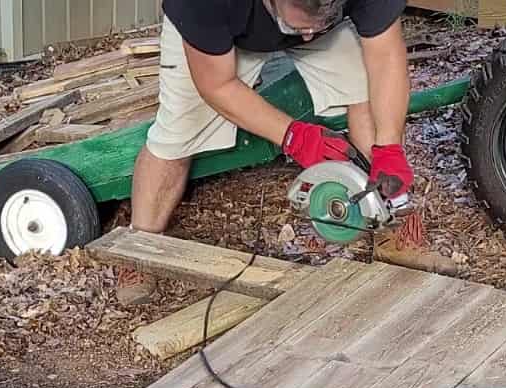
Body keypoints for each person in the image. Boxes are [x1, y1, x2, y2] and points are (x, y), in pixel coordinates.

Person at [118, 0, 414, 303]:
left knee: (367, 93)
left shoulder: (320, 19)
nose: (308, 37)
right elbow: (217, 86)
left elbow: (385, 55)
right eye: (298, 28)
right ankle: (140, 247)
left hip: (308, 14)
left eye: (319, 24)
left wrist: (389, 147)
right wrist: (294, 138)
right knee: (177, 133)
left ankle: (394, 220)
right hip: (224, 27)